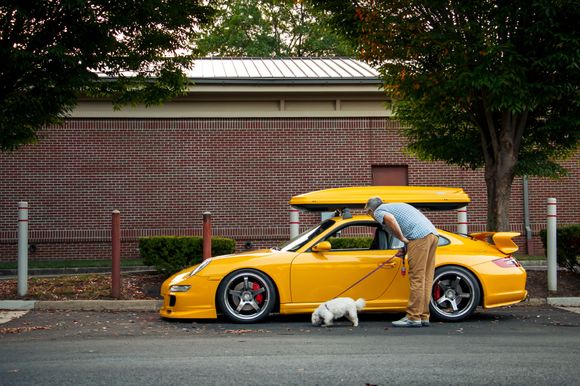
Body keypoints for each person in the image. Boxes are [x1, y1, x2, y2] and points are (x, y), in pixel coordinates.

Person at [365, 197, 439, 327]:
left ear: (371, 210)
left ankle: (413, 317)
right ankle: (423, 316)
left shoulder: (379, 211)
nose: (370, 216)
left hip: (419, 237)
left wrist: (401, 238)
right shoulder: (393, 206)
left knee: (417, 278)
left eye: (367, 213)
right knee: (426, 278)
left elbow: (390, 220)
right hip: (432, 235)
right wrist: (405, 248)